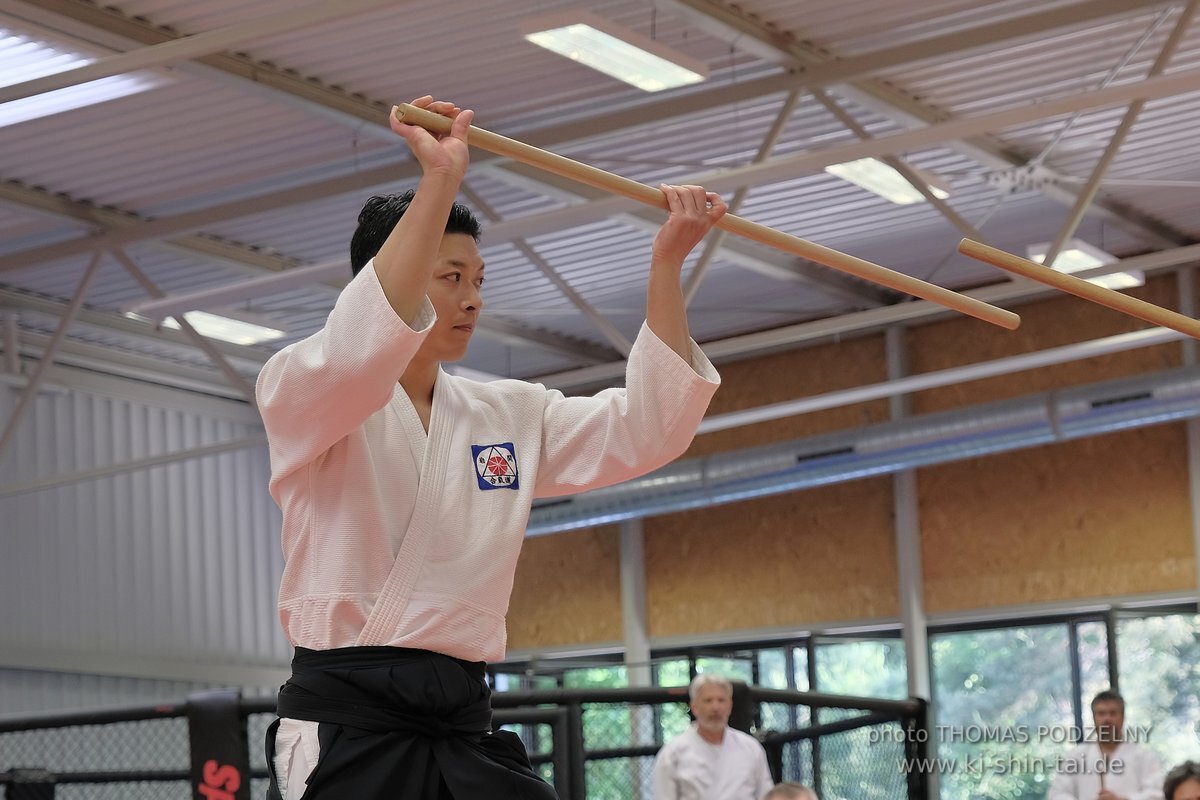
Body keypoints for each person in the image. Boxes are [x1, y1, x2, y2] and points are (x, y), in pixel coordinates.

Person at [256, 95, 725, 800]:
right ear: (390, 273)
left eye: (478, 281)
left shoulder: (508, 411)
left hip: (462, 719)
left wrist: (666, 265)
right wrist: (440, 180)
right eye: (450, 277)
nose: (472, 299)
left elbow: (647, 428)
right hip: (349, 722)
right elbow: (358, 350)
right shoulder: (303, 390)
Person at [651, 674, 774, 800]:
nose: (715, 708)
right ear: (694, 707)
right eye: (708, 700)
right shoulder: (672, 754)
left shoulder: (751, 748)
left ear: (730, 706)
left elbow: (766, 795)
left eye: (721, 700)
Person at [1048, 690, 1164, 800]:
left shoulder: (1143, 756)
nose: (1107, 719)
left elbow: (1158, 794)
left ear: (1123, 717)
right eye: (1101, 713)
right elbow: (1057, 794)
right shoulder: (1076, 755)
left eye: (1113, 713)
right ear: (1094, 718)